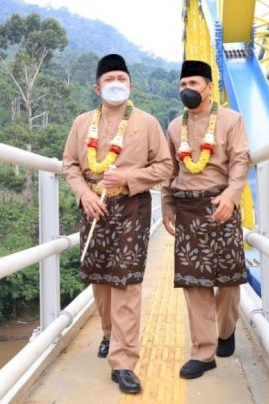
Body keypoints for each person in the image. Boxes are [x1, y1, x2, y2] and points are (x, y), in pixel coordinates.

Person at [62, 53, 173, 394]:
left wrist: (128, 178)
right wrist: (84, 194)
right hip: (94, 209)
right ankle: (110, 334)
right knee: (100, 279)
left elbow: (165, 167)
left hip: (132, 210)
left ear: (130, 84)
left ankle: (124, 362)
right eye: (109, 80)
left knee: (126, 283)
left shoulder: (147, 122)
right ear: (97, 87)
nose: (115, 85)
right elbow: (69, 165)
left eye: (121, 79)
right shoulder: (82, 124)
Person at [162, 59, 250, 379]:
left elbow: (240, 161)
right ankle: (203, 351)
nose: (187, 90)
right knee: (194, 282)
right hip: (187, 208)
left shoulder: (231, 120)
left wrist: (231, 196)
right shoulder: (174, 127)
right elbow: (170, 170)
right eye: (183, 85)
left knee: (227, 281)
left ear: (209, 88)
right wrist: (167, 204)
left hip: (221, 204)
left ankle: (226, 331)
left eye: (193, 84)